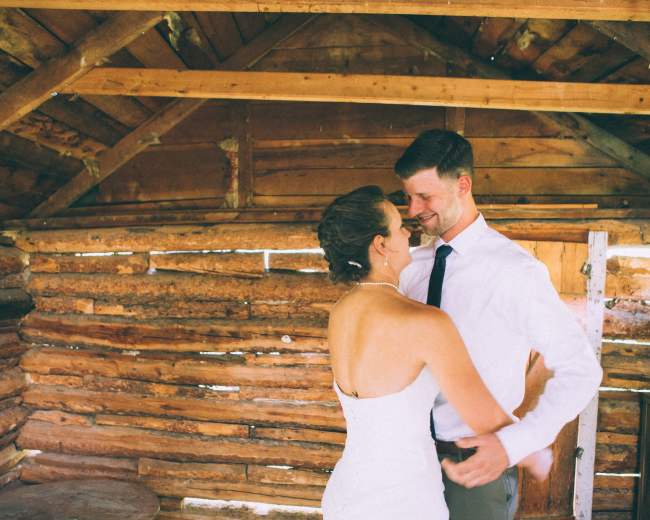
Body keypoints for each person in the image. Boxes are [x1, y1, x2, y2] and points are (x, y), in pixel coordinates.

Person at [395, 129, 603, 519]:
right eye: (408, 197)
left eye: (424, 196)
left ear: (463, 185)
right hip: (404, 465)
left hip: (475, 468)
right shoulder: (409, 269)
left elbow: (582, 370)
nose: (412, 209)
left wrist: (515, 444)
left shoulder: (515, 271)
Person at [317, 185, 548, 520]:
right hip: (405, 498)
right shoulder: (424, 321)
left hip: (347, 493)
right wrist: (535, 452)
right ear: (381, 245)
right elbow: (483, 417)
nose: (407, 232)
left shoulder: (341, 312)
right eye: (398, 227)